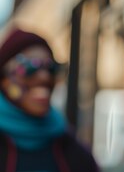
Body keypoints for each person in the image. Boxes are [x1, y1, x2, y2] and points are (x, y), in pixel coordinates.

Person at [0, 27, 100, 172]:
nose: (44, 77)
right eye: (29, 67)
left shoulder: (74, 151)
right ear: (4, 79)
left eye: (51, 68)